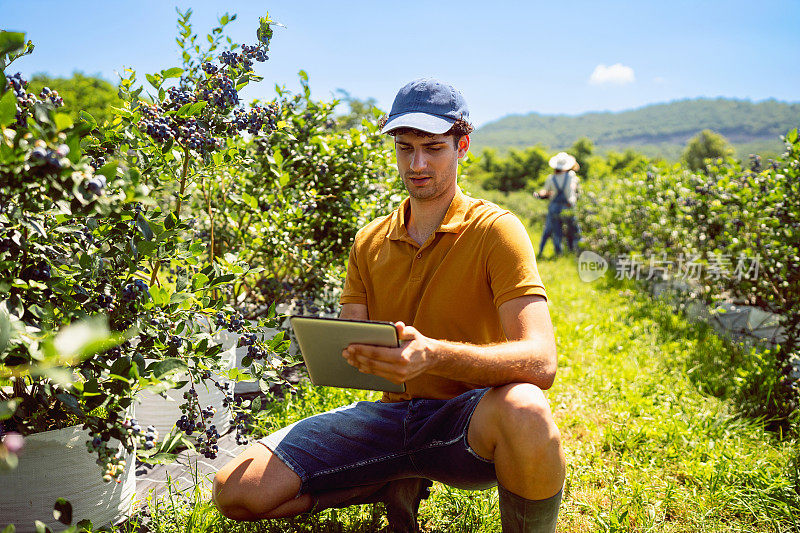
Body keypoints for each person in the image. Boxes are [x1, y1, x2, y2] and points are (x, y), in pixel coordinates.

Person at [212, 78, 566, 533]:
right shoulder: (370, 240)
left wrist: (434, 355)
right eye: (405, 148)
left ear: (463, 146)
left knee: (527, 408)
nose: (417, 164)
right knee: (235, 490)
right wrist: (338, 350)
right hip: (391, 417)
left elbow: (541, 362)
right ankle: (385, 478)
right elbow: (352, 347)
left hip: (469, 419)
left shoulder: (496, 231)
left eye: (433, 148)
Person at [535, 153, 581, 257]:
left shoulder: (551, 178)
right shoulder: (570, 176)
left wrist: (539, 194)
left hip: (554, 207)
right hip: (568, 206)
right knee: (574, 230)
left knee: (557, 231)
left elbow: (546, 192)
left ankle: (558, 253)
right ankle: (575, 251)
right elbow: (573, 189)